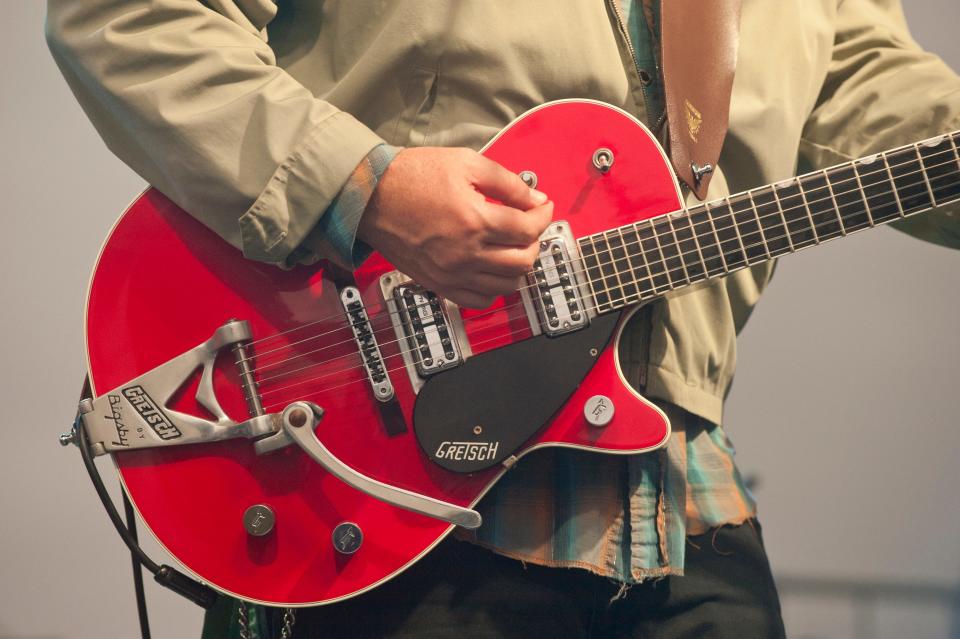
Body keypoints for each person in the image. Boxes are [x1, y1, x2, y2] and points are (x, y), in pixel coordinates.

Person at [45, 1, 960, 637]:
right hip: (385, 488)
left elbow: (880, 96)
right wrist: (363, 189)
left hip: (681, 498)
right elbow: (125, 15)